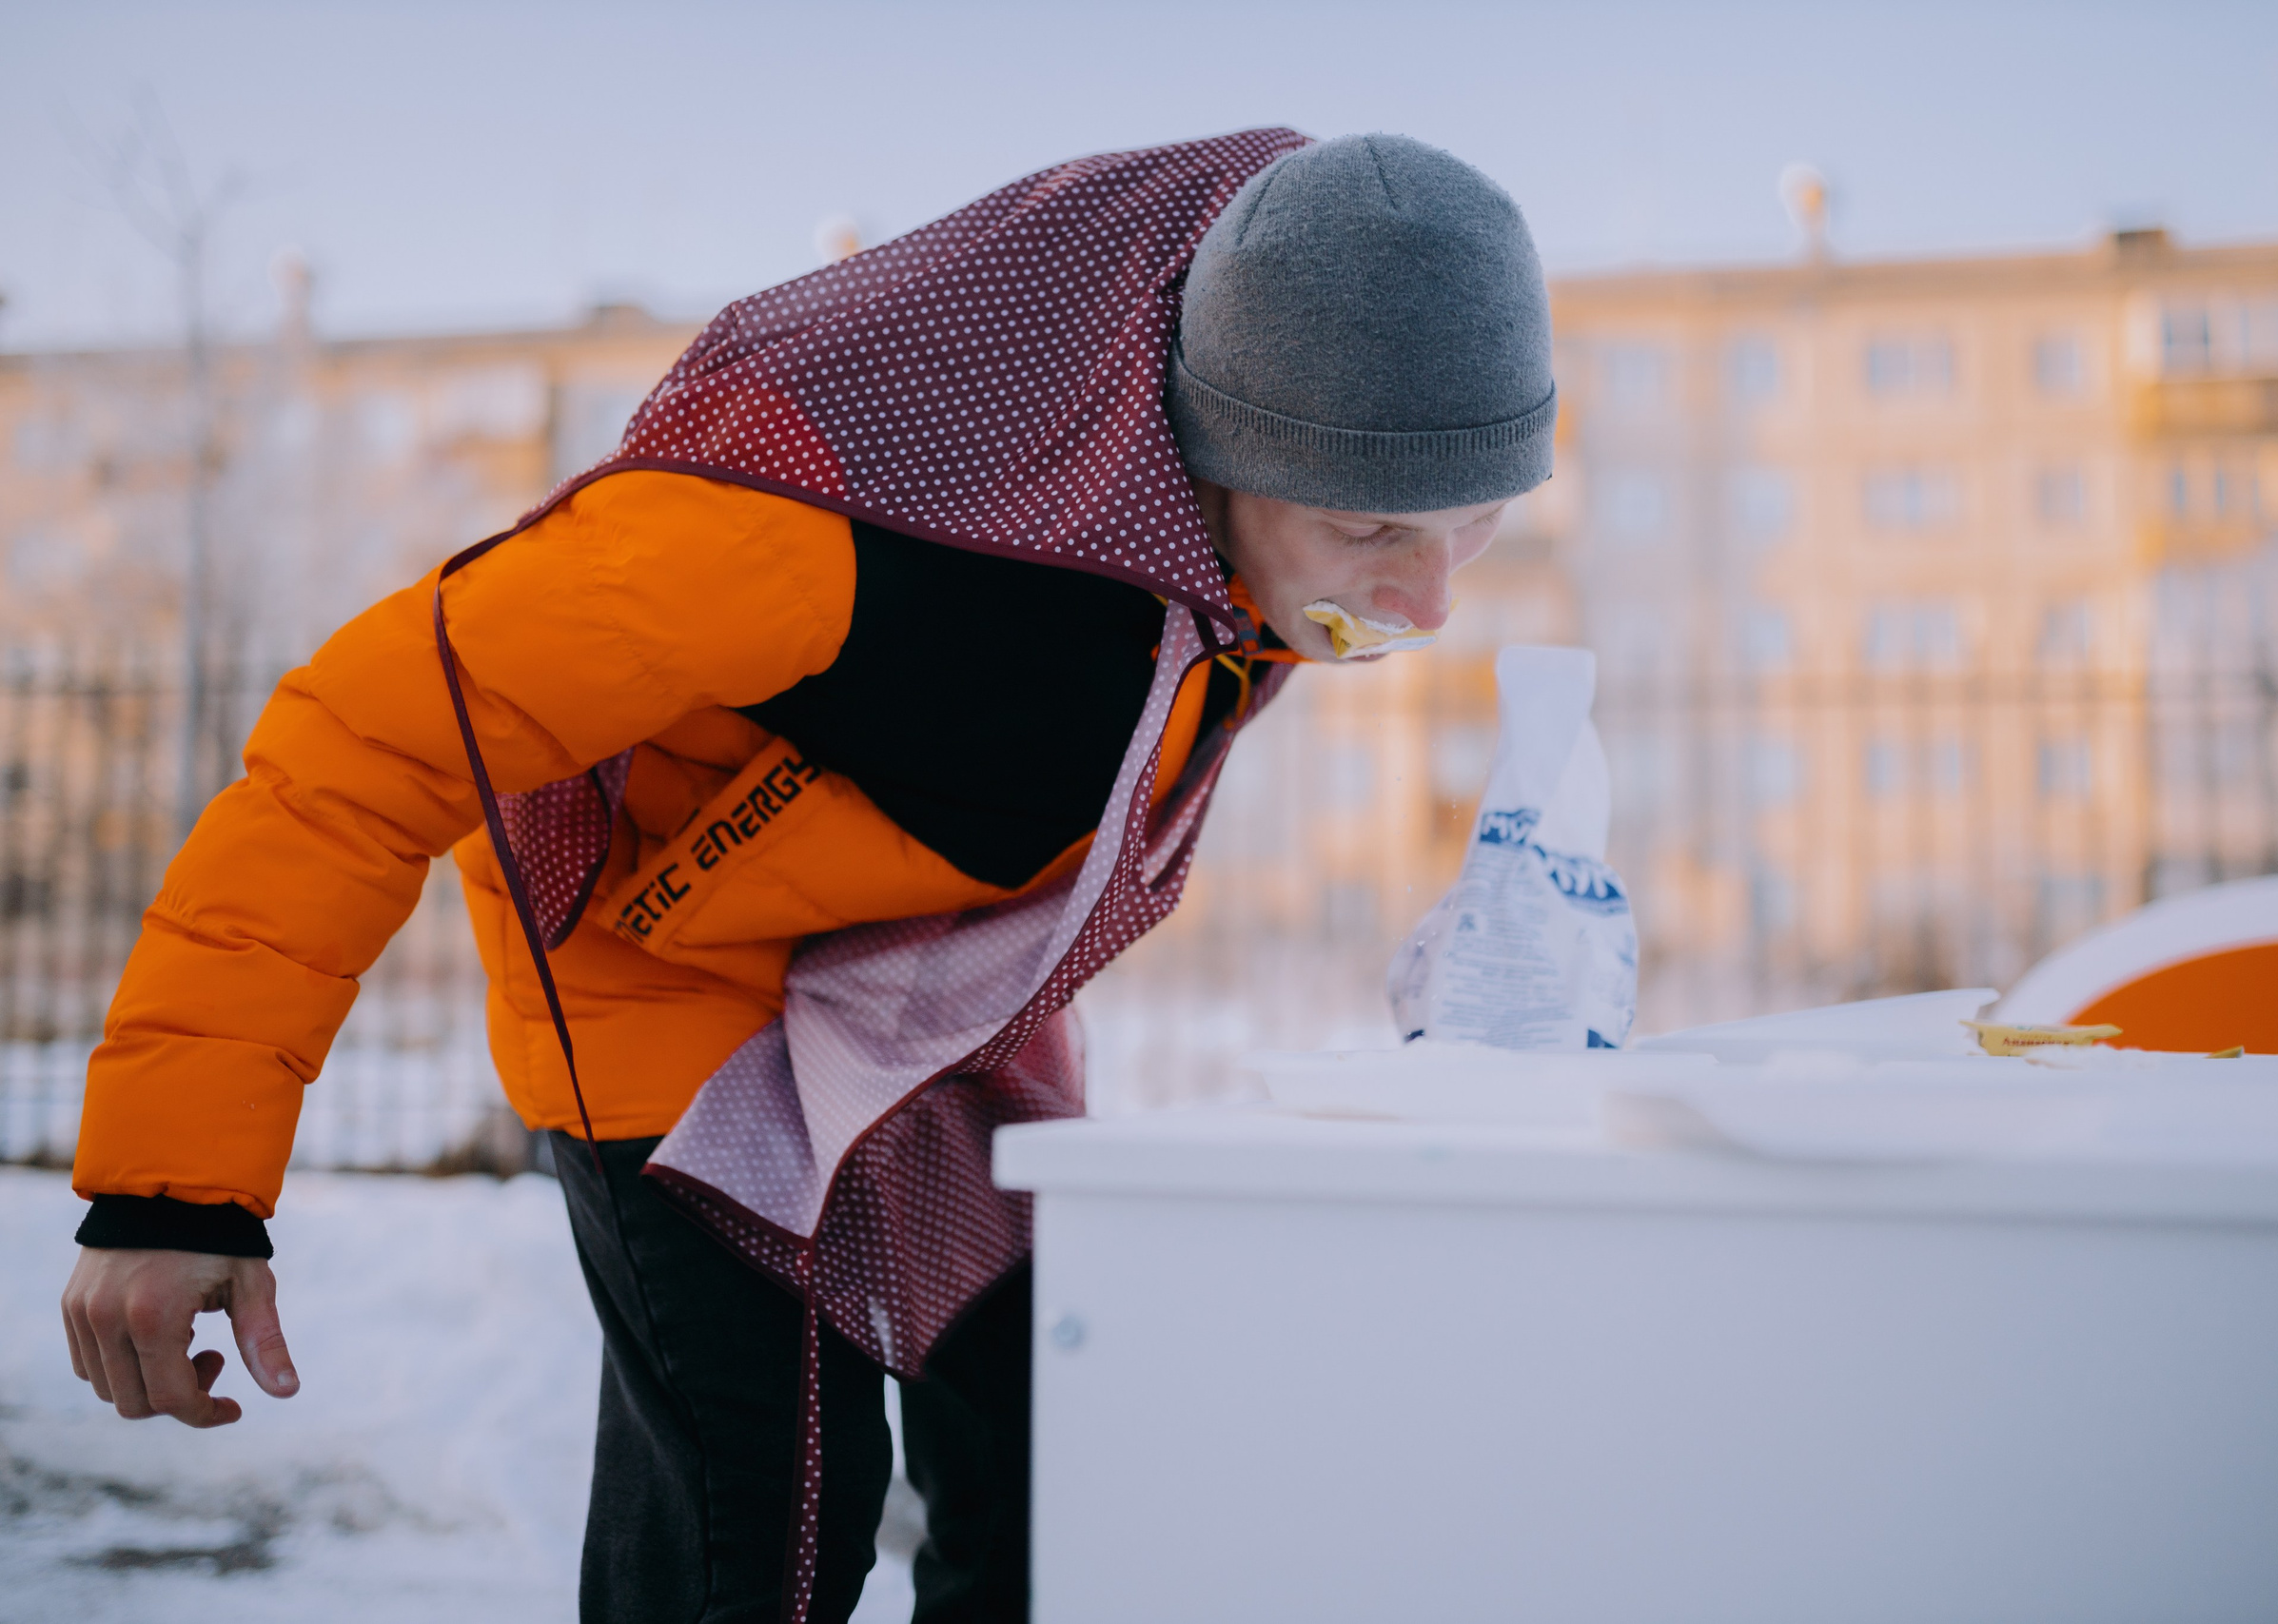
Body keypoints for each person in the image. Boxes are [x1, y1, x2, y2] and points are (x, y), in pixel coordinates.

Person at [57, 128, 1556, 1623]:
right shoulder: (827, 533)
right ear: (1225, 443)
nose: (1428, 599)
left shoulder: (1210, 522)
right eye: (1371, 528)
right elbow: (365, 743)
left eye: (1471, 526)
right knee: (764, 1529)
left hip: (924, 983)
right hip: (663, 976)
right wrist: (166, 1187)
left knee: (1060, 1459)